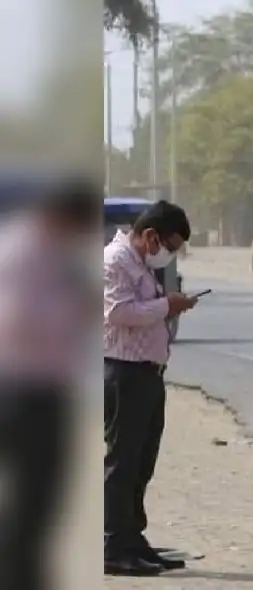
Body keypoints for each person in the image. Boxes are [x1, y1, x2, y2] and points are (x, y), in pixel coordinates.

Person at [0, 176, 98, 590]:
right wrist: (77, 310)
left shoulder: (53, 253)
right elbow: (16, 319)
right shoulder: (23, 252)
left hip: (44, 393)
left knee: (38, 512)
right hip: (25, 394)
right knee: (31, 510)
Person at [104, 199, 197, 576]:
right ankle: (112, 545)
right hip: (124, 373)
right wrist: (166, 306)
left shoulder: (139, 263)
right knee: (122, 463)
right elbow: (117, 312)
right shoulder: (115, 261)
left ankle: (131, 539)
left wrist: (169, 306)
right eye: (170, 246)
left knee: (141, 462)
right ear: (151, 235)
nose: (169, 255)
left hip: (147, 374)